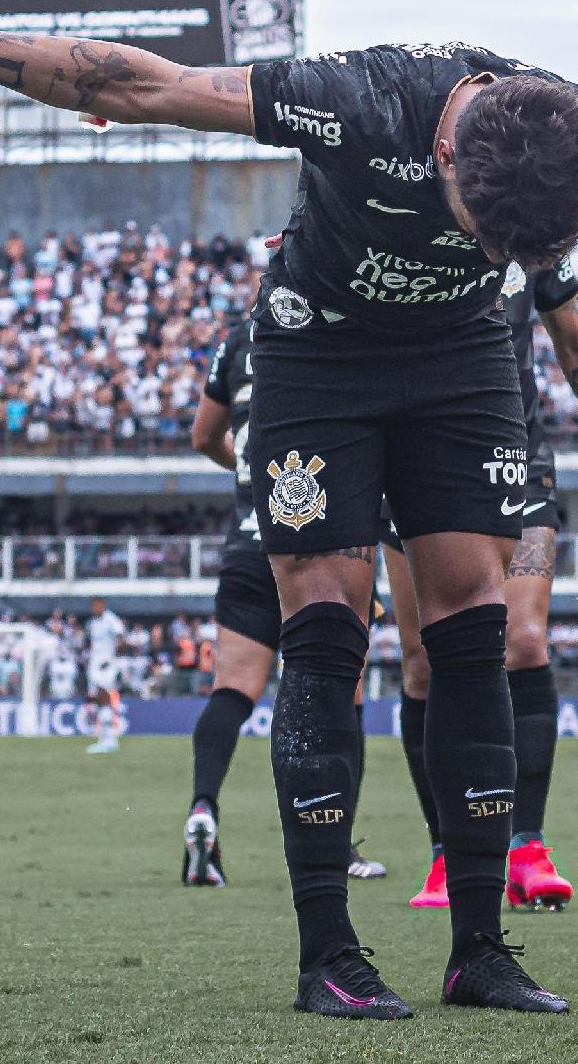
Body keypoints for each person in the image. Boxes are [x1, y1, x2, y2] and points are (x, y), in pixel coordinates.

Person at [0, 0, 578, 1018]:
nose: (483, 244)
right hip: (320, 357)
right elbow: (142, 83)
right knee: (327, 622)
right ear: (445, 148)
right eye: (477, 221)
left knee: (471, 624)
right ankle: (329, 952)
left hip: (461, 363)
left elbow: (550, 282)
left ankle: (479, 949)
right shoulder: (359, 98)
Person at [386, 253, 578, 912]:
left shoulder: (531, 228)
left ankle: (526, 844)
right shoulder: (402, 212)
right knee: (422, 662)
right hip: (412, 456)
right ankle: (446, 851)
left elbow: (573, 339)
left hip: (515, 457)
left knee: (523, 639)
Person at [180, 320, 386, 887]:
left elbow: (202, 436)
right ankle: (335, 842)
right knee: (340, 692)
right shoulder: (338, 320)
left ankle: (203, 808)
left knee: (231, 689)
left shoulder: (237, 340)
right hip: (320, 543)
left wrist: (252, 477)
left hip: (248, 541)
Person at [83, 597, 125, 755]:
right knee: (98, 700)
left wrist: (112, 658)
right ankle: (106, 738)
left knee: (103, 696)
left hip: (106, 664)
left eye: (97, 605)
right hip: (95, 664)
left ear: (103, 606)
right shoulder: (92, 623)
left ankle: (110, 740)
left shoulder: (111, 619)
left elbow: (121, 638)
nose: (94, 608)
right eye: (92, 606)